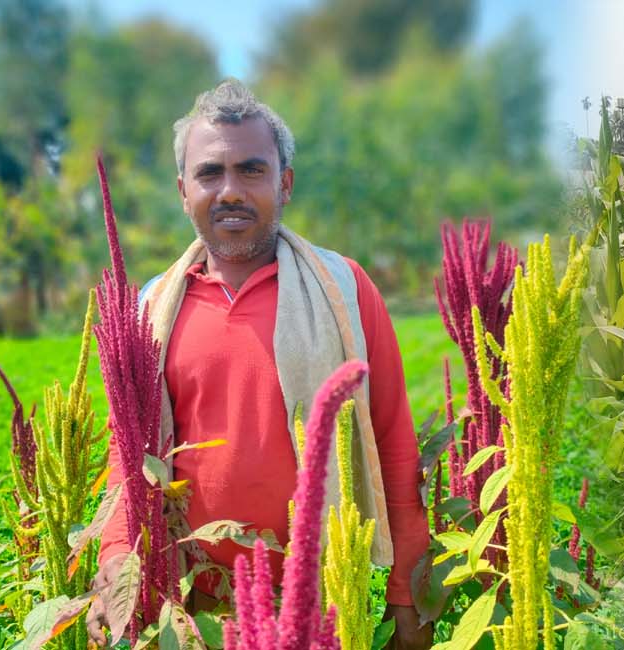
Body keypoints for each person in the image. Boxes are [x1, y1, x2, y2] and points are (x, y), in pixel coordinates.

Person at [93, 79, 432, 648]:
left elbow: (392, 440)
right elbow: (129, 454)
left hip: (323, 601)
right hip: (194, 605)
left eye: (252, 170)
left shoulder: (343, 289)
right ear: (183, 191)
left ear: (285, 183)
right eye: (209, 173)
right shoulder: (152, 306)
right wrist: (118, 553)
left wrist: (408, 594)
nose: (229, 191)